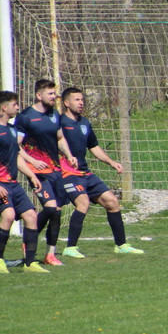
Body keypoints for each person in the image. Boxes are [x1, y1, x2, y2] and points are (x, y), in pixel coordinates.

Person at [57, 86, 145, 256]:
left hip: (85, 173)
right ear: (66, 103)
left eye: (82, 99)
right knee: (83, 203)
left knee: (112, 202)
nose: (81, 103)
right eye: (77, 99)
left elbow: (93, 147)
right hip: (68, 173)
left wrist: (111, 162)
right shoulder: (59, 123)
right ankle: (70, 248)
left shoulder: (85, 123)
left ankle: (121, 245)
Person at [0, 91, 47, 273]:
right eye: (14, 104)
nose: (18, 107)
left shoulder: (12, 129)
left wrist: (31, 175)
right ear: (4, 107)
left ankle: (30, 263)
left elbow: (15, 156)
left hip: (12, 182)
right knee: (8, 215)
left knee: (31, 216)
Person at [16, 79, 78, 266]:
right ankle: (30, 239)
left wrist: (69, 155)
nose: (54, 96)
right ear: (38, 95)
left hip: (55, 169)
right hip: (37, 171)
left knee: (57, 212)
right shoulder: (25, 117)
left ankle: (50, 254)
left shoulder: (54, 115)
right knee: (51, 208)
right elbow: (16, 146)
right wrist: (32, 161)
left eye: (54, 93)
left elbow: (60, 138)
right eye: (50, 93)